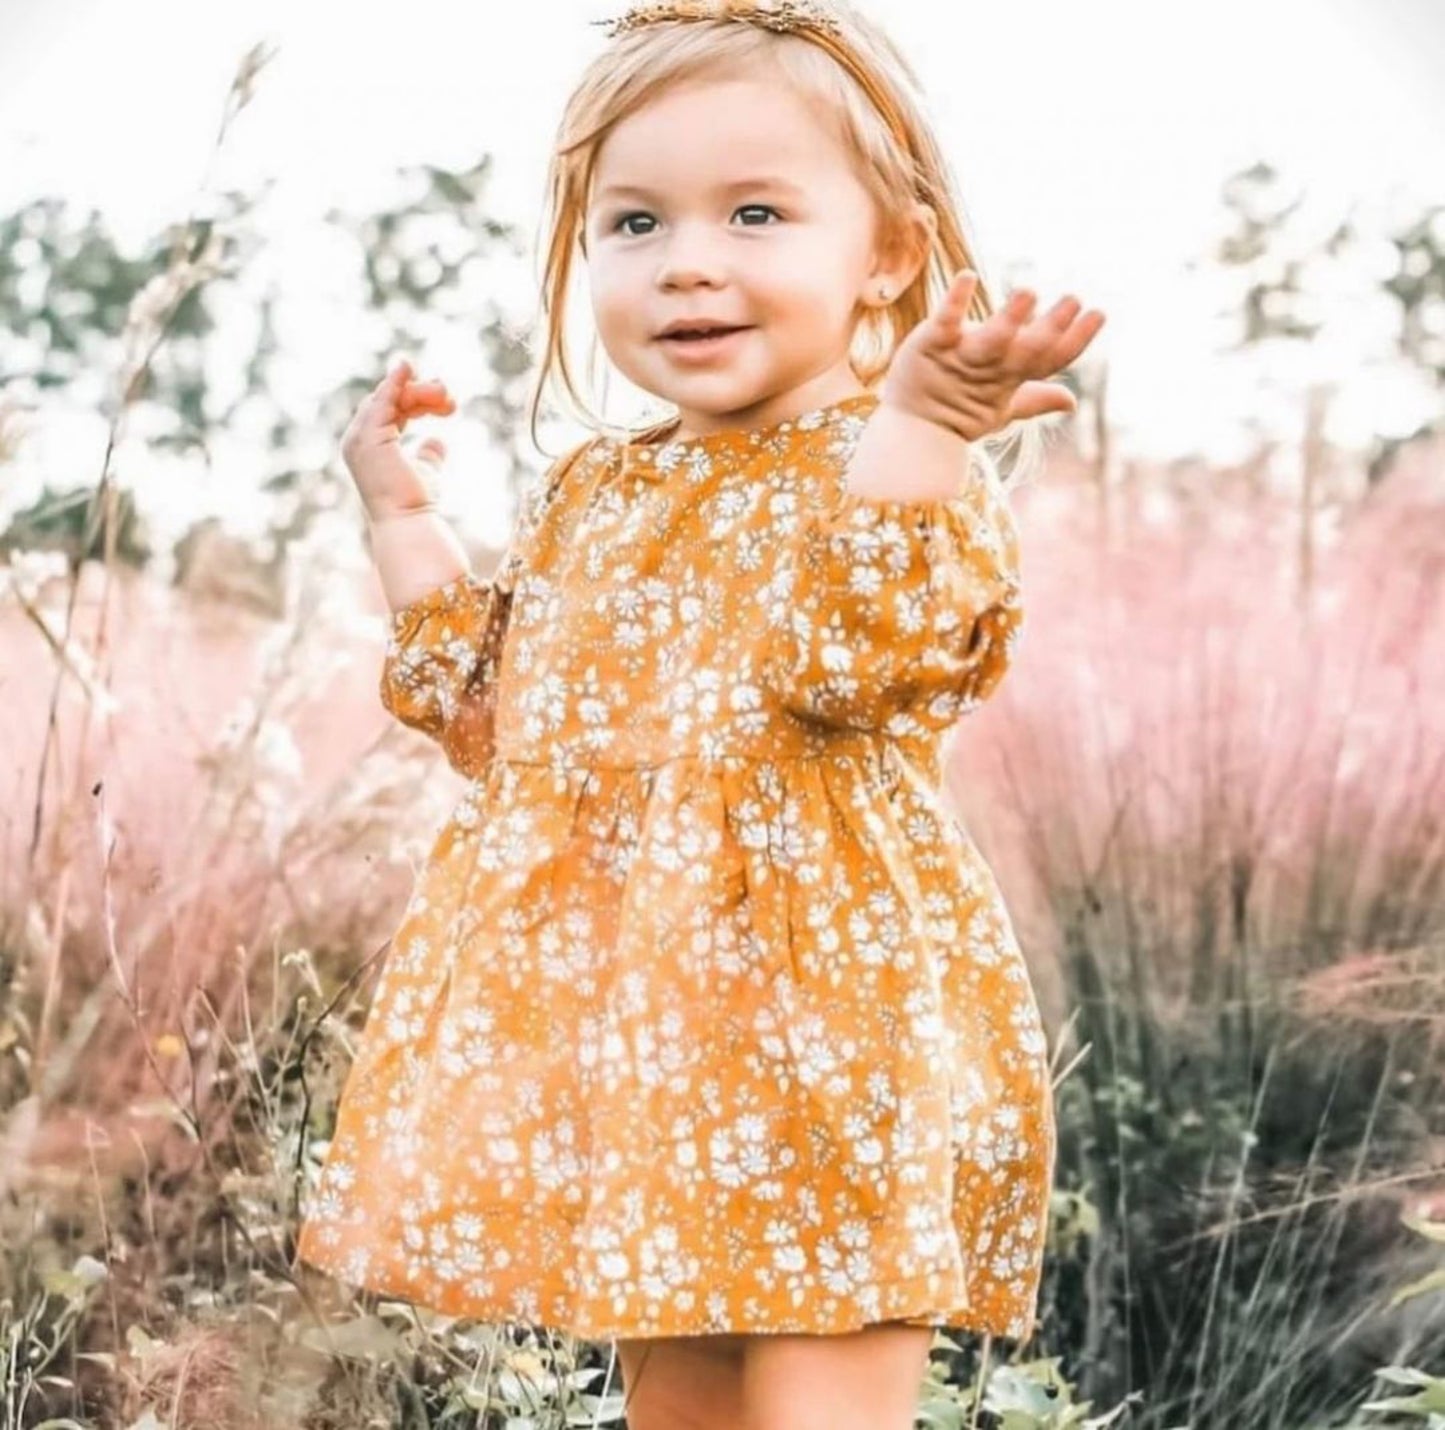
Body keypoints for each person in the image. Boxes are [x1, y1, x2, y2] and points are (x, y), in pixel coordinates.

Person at [294, 1, 1106, 1425]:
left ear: (890, 255)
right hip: (663, 1068)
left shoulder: (882, 466)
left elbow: (858, 653)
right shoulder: (596, 495)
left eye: (753, 213)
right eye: (633, 224)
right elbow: (497, 718)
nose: (687, 267)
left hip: (835, 1048)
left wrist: (920, 423)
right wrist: (400, 512)